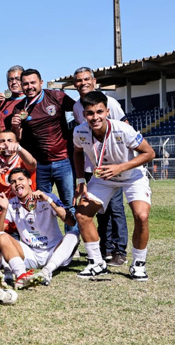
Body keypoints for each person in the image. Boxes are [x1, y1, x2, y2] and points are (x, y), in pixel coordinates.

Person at [73, 91, 156, 280]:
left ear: (107, 111)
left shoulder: (123, 129)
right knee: (82, 214)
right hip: (103, 178)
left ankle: (138, 264)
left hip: (131, 175)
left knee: (141, 216)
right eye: (90, 113)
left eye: (99, 112)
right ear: (84, 114)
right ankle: (96, 262)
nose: (95, 117)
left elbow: (149, 153)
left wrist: (120, 167)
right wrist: (80, 181)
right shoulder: (79, 131)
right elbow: (77, 152)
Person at [72, 67, 128, 266]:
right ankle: (105, 247)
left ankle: (119, 250)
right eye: (79, 80)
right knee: (99, 208)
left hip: (113, 165)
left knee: (116, 208)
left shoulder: (109, 101)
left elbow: (125, 125)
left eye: (86, 79)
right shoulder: (77, 106)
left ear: (93, 80)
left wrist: (122, 161)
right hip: (92, 166)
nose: (83, 83)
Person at [11, 69, 76, 230]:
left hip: (63, 161)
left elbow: (79, 111)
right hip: (40, 165)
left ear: (41, 82)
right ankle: (47, 240)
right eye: (25, 83)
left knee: (69, 204)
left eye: (33, 82)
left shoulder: (57, 97)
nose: (29, 86)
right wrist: (15, 126)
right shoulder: (20, 108)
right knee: (41, 204)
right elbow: (17, 138)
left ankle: (72, 240)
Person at [0, 168, 79, 286]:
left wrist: (49, 201)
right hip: (30, 253)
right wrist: (4, 209)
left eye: (21, 179)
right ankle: (9, 272)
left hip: (54, 251)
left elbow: (70, 222)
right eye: (13, 182)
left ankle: (47, 271)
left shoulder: (47, 197)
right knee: (0, 238)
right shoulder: (11, 203)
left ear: (30, 181)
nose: (17, 184)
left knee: (73, 235)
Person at [0, 130, 37, 198]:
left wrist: (19, 148)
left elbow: (32, 163)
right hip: (5, 206)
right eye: (2, 141)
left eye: (10, 140)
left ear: (17, 143)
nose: (6, 144)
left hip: (26, 205)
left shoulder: (23, 160)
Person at [0, 65, 26, 130]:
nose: (14, 82)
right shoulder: (2, 102)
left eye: (18, 79)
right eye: (11, 79)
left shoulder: (31, 99)